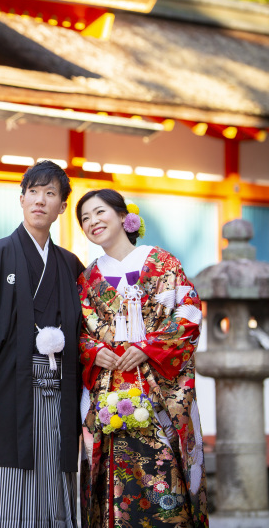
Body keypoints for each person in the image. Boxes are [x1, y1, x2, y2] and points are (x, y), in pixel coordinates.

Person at [0, 160, 85, 527]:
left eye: (50, 193)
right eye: (34, 192)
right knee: (4, 482)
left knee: (54, 474)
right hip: (5, 389)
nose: (40, 200)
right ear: (21, 199)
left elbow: (88, 333)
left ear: (62, 206)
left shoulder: (70, 265)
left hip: (58, 389)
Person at [75, 188, 208, 527]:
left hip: (158, 390)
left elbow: (188, 313)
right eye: (85, 219)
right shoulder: (88, 279)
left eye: (99, 212)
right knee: (113, 480)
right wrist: (94, 352)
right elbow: (77, 331)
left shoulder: (162, 262)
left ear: (123, 216)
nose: (93, 222)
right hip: (110, 392)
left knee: (164, 473)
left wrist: (148, 348)